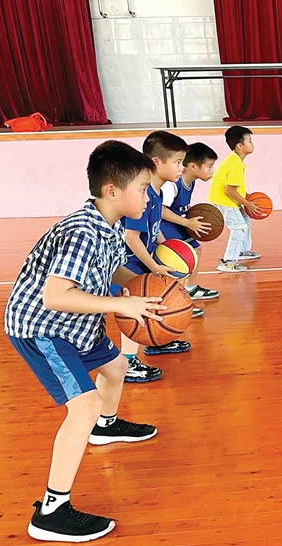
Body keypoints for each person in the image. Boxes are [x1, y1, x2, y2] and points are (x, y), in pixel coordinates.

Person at [4, 140, 163, 542]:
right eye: (143, 188)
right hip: (44, 327)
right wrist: (122, 305)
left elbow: (114, 272)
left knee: (117, 366)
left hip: (77, 323)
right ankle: (51, 512)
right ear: (112, 191)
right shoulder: (81, 232)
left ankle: (105, 427)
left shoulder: (110, 225)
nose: (149, 196)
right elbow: (55, 296)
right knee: (84, 405)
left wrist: (154, 286)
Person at [118, 131, 191, 383]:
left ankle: (156, 340)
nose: (182, 168)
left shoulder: (156, 192)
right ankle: (128, 362)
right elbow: (131, 237)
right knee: (134, 305)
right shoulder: (143, 193)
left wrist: (166, 245)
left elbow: (154, 225)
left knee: (156, 301)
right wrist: (154, 266)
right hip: (128, 262)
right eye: (178, 162)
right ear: (157, 162)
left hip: (144, 259)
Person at [160, 142, 220, 315]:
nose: (212, 171)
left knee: (196, 250)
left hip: (178, 224)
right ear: (193, 166)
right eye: (209, 166)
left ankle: (191, 289)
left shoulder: (191, 182)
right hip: (165, 226)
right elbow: (161, 211)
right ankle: (176, 303)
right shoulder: (172, 185)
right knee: (179, 260)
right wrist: (187, 223)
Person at [209, 126, 259, 273]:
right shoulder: (235, 163)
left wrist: (246, 197)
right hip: (224, 201)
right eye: (250, 141)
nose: (253, 144)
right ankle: (229, 261)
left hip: (227, 199)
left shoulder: (235, 160)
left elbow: (235, 187)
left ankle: (241, 251)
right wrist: (247, 203)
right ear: (240, 146)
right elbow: (229, 190)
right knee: (239, 227)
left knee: (245, 221)